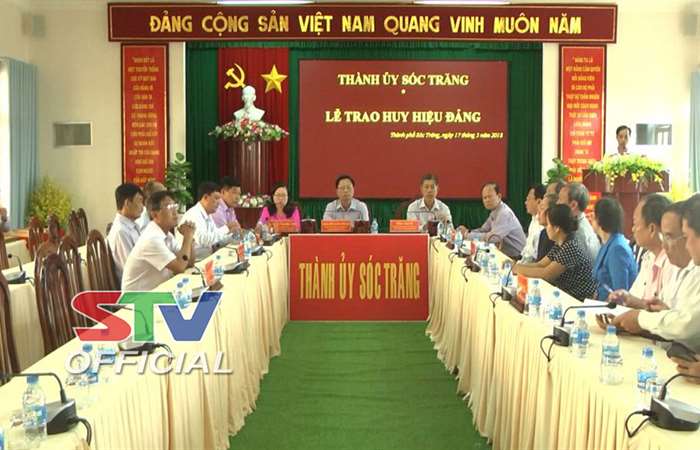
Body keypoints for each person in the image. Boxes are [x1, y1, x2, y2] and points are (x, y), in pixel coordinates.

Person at [612, 198, 700, 352]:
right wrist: (659, 312)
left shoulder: (690, 269)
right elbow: (674, 317)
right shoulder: (681, 268)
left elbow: (685, 325)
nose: (686, 245)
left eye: (686, 237)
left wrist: (641, 319)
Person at [514, 204, 597, 301]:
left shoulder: (571, 246)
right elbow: (540, 264)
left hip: (579, 300)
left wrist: (516, 268)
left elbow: (546, 275)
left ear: (557, 228)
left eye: (548, 225)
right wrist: (517, 267)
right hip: (566, 295)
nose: (546, 228)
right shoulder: (561, 243)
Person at [608, 194, 674, 308]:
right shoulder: (649, 257)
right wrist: (626, 298)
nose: (632, 229)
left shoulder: (674, 262)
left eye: (635, 224)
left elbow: (666, 313)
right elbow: (636, 296)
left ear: (652, 229)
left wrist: (637, 304)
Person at [121, 191, 195, 291]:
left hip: (157, 291)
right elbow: (180, 267)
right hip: (138, 298)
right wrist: (188, 237)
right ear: (155, 214)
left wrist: (190, 239)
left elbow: (188, 263)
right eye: (169, 207)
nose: (175, 212)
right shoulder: (152, 239)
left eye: (175, 206)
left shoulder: (167, 235)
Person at [590, 197, 638, 301]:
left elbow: (620, 294)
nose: (590, 219)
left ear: (600, 219)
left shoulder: (617, 249)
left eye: (593, 215)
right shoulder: (607, 243)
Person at [464, 182, 526, 259]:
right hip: (506, 255)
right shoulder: (495, 212)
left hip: (517, 258)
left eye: (490, 197)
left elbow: (493, 238)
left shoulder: (504, 213)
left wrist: (467, 236)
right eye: (484, 198)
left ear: (499, 196)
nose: (487, 200)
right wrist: (468, 232)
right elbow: (483, 230)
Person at [180, 181, 238, 259]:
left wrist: (233, 237)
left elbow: (216, 239)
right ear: (205, 197)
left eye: (220, 199)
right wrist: (227, 228)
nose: (219, 202)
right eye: (216, 198)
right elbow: (204, 240)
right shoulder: (193, 214)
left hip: (207, 258)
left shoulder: (208, 214)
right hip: (195, 261)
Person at [106, 183, 144, 280]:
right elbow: (131, 270)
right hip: (135, 284)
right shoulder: (121, 231)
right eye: (139, 201)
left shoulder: (133, 226)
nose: (142, 207)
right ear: (127, 203)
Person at [558, 182, 600, 262]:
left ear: (573, 205)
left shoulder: (578, 233)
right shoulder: (575, 226)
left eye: (560, 200)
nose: (557, 203)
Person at [521, 183, 545, 262]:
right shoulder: (534, 220)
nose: (525, 202)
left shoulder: (542, 226)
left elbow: (535, 259)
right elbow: (527, 250)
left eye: (528, 199)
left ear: (538, 202)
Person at [536, 193, 558, 261]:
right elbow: (540, 263)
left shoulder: (556, 237)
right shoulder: (543, 233)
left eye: (542, 208)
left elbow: (543, 267)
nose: (538, 212)